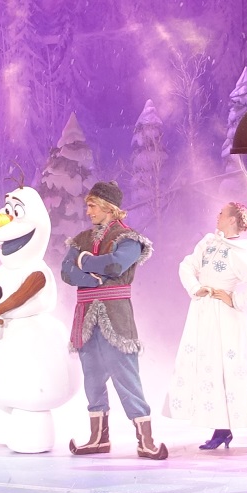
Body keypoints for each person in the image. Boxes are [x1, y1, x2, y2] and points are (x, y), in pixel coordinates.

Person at [60, 181, 166, 460]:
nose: (88, 211)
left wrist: (84, 261)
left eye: (92, 205)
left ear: (108, 207)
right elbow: (66, 271)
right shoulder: (81, 238)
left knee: (126, 378)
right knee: (92, 378)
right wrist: (93, 278)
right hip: (85, 318)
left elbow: (116, 265)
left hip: (116, 318)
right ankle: (98, 438)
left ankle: (145, 441)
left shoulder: (129, 238)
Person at [165, 202, 247, 452]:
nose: (217, 215)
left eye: (221, 213)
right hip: (204, 313)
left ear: (231, 220)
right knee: (212, 368)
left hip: (227, 317)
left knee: (238, 368)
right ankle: (221, 429)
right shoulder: (208, 242)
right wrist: (196, 288)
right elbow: (187, 266)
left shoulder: (242, 251)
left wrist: (235, 299)